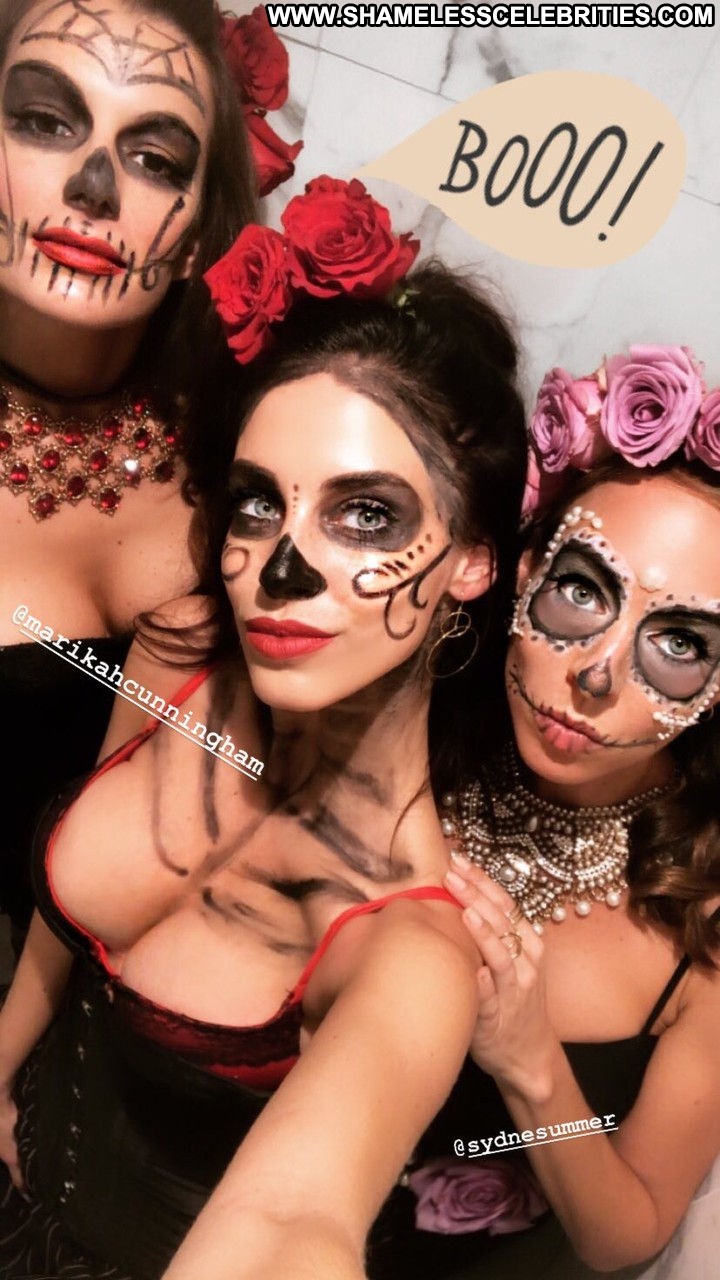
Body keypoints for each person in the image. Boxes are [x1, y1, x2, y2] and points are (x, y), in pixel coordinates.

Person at [0, 177, 528, 1279]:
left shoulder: (408, 948)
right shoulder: (180, 655)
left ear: (473, 559)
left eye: (364, 513)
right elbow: (69, 910)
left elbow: (295, 1223)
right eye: (257, 503)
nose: (279, 570)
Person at [413, 348, 720, 1279]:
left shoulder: (707, 921)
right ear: (524, 572)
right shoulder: (403, 739)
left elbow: (631, 1232)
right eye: (584, 590)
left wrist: (529, 1058)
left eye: (679, 642)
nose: (595, 673)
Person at [0, 0, 257, 941]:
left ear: (193, 241)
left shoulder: (243, 467)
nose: (94, 184)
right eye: (43, 121)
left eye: (154, 158)